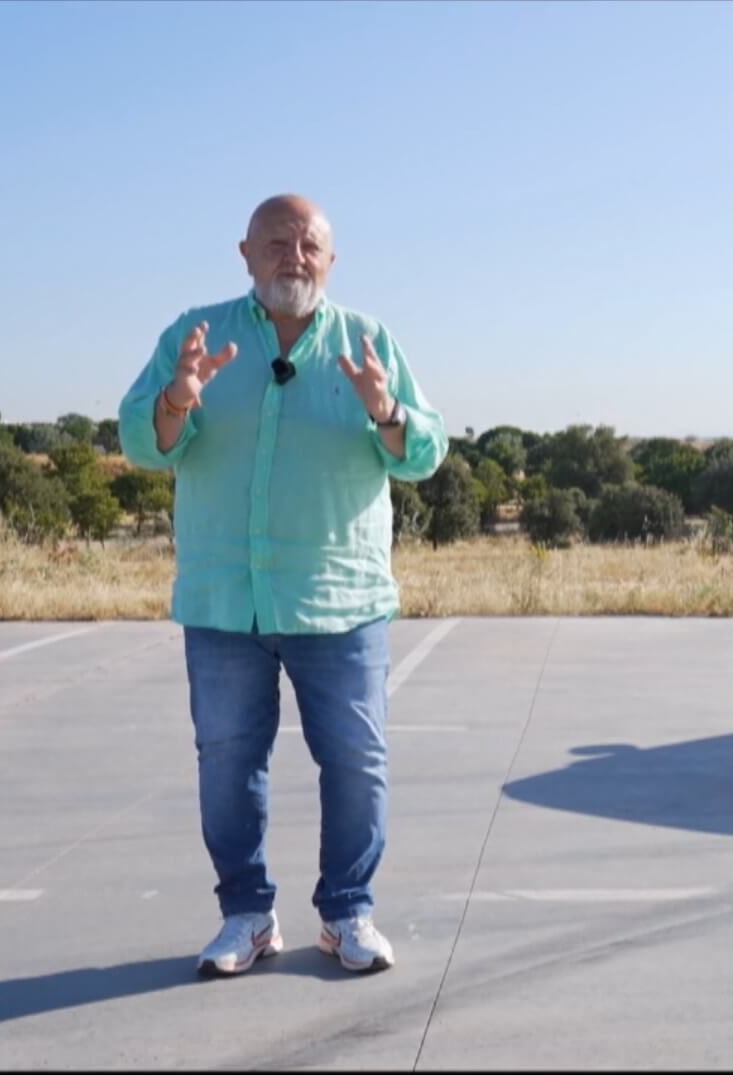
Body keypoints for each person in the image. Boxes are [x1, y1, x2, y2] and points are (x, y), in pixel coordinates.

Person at [118, 194, 448, 977]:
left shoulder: (369, 339)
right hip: (226, 599)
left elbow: (425, 451)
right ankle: (246, 915)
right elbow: (140, 440)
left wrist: (386, 409)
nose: (292, 257)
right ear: (244, 252)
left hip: (341, 601)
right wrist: (177, 398)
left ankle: (347, 914)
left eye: (308, 245)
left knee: (358, 761)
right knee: (228, 762)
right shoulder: (194, 336)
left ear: (331, 260)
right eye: (276, 242)